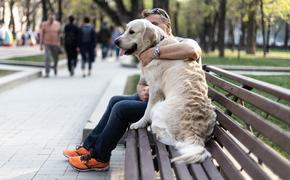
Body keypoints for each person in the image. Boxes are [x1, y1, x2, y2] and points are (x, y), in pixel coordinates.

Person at [63, 8, 202, 171]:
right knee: (115, 100)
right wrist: (141, 89)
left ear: (168, 27)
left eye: (155, 24)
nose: (151, 29)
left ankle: (99, 158)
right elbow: (143, 82)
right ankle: (88, 147)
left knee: (121, 109)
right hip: (157, 100)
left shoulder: (181, 41)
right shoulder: (148, 47)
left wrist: (155, 52)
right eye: (148, 25)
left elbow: (193, 51)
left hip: (173, 107)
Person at [40, 13, 61, 78]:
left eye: (52, 19)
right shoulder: (44, 24)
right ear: (48, 18)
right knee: (47, 58)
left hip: (55, 44)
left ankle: (55, 67)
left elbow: (59, 35)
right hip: (47, 43)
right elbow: (41, 35)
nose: (51, 20)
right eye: (50, 19)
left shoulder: (57, 24)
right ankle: (47, 72)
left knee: (56, 58)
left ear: (54, 19)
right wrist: (41, 45)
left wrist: (60, 44)